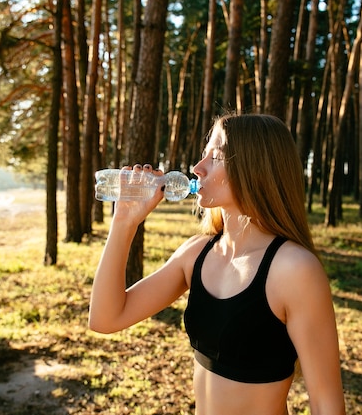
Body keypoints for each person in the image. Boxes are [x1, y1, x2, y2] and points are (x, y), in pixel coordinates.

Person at [89, 113, 346, 415]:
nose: (198, 168)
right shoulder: (197, 253)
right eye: (204, 155)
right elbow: (105, 319)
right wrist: (124, 223)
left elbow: (326, 402)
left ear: (255, 168)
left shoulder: (293, 269)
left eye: (217, 156)